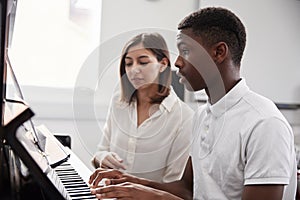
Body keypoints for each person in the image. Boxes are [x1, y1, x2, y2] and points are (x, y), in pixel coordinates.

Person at [89, 7, 297, 200]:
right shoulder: (203, 115)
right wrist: (131, 182)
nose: (178, 62)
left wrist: (153, 197)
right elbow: (187, 189)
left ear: (218, 53)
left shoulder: (264, 123)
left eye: (185, 51)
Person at [91, 32, 194, 183]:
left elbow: (173, 184)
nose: (134, 70)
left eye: (143, 62)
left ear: (163, 64)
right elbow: (100, 151)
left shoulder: (184, 117)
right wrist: (102, 158)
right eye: (128, 63)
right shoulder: (118, 103)